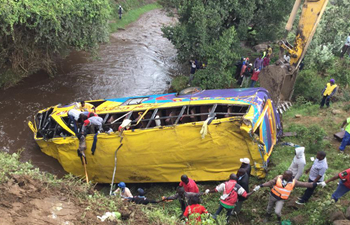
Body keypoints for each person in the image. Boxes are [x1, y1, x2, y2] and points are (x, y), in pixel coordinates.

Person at [253, 170, 322, 223]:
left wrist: (317, 184)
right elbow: (270, 182)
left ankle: (279, 219)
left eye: (285, 175)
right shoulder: (278, 178)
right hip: (273, 196)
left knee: (277, 211)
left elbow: (305, 184)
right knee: (269, 207)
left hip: (281, 199)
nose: (283, 175)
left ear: (289, 176)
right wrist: (261, 185)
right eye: (283, 174)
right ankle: (267, 216)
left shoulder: (294, 182)